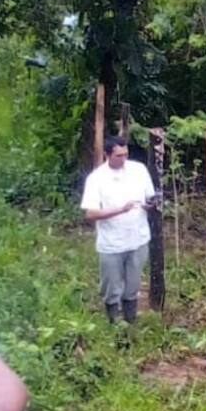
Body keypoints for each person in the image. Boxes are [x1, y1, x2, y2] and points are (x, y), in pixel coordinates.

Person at [80, 135, 157, 323]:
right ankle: (113, 321)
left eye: (125, 155)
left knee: (133, 284)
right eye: (118, 156)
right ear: (107, 155)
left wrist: (150, 205)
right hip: (112, 242)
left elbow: (151, 197)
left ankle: (130, 320)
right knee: (111, 286)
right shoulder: (97, 178)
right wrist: (120, 209)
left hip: (138, 238)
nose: (123, 159)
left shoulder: (138, 170)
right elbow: (90, 213)